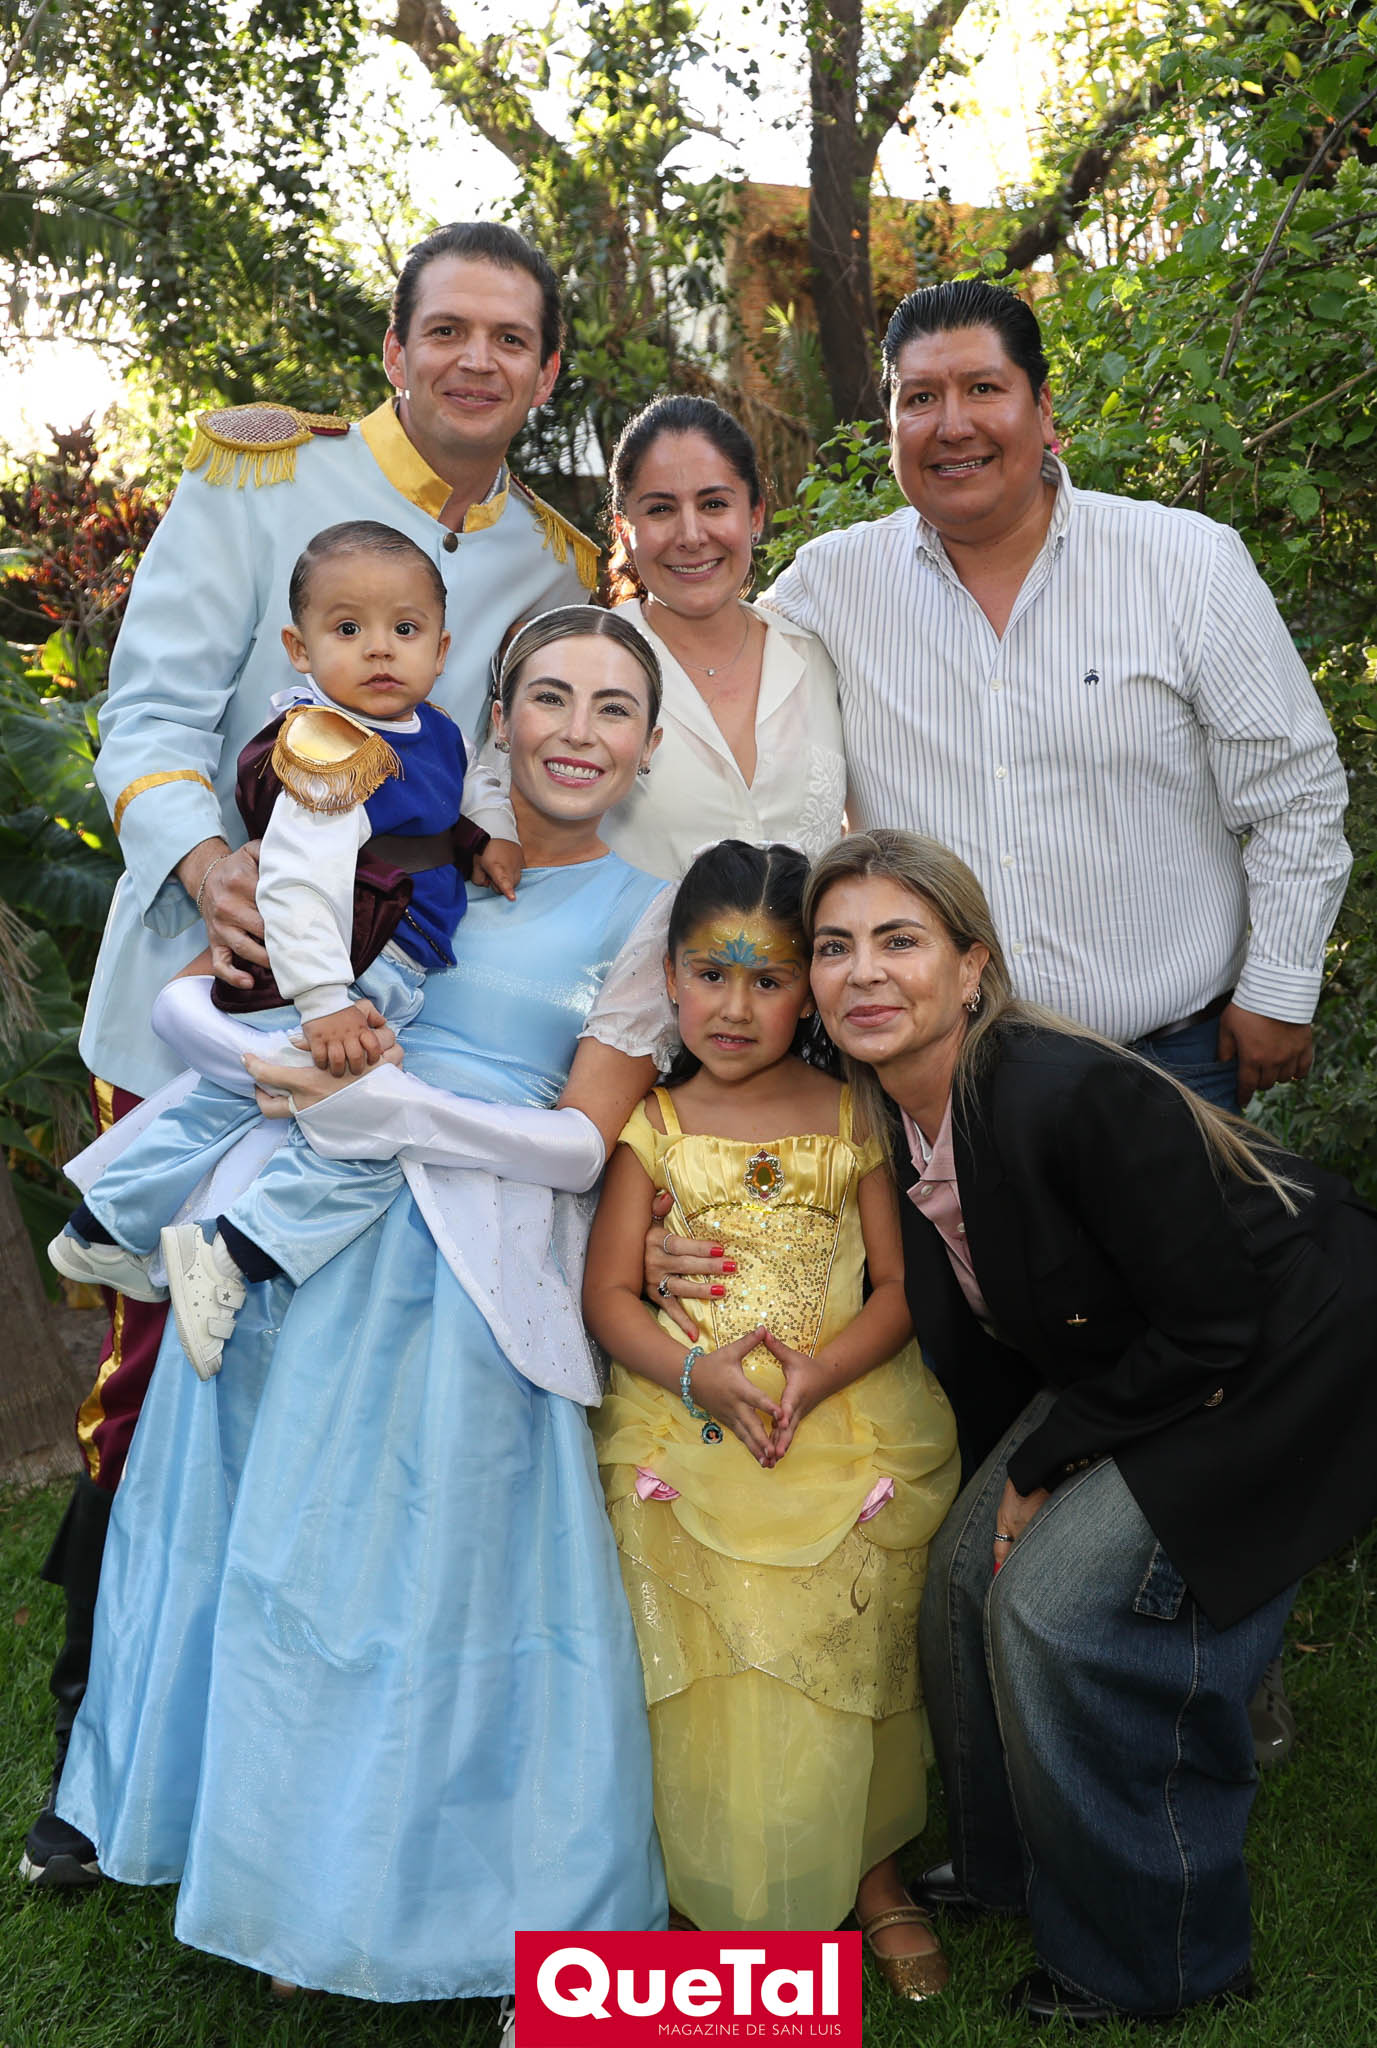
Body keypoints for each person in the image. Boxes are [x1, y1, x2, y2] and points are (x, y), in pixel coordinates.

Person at [27, 220, 595, 1886]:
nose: (476, 360)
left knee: (310, 1379)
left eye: (510, 338)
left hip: (382, 1035)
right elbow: (149, 708)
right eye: (448, 330)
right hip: (209, 993)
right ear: (397, 348)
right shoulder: (260, 478)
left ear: (547, 371)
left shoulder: (553, 561)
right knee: (159, 1367)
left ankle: (277, 1744)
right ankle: (102, 1733)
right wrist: (205, 858)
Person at [739, 277, 1353, 1760]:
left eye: (981, 391)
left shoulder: (1180, 563)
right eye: (918, 398)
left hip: (1163, 1057)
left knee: (1203, 1387)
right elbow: (705, 705)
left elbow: (1293, 792)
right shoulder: (828, 587)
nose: (951, 424)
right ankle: (1031, 1674)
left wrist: (1276, 990)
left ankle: (1217, 1650)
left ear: (1041, 409)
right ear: (886, 419)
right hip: (947, 1087)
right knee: (1007, 1386)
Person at [54, 609, 673, 2006]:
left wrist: (397, 1112)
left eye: (614, 708)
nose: (578, 732)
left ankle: (438, 1898)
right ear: (498, 717)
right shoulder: (390, 845)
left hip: (462, 1265)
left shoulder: (649, 912)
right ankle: (287, 1878)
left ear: (648, 744)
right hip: (280, 1244)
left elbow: (582, 1144)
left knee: (422, 1580)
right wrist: (281, 1072)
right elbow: (195, 1015)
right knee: (278, 1570)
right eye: (550, 698)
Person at [802, 827, 1377, 2024]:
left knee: (1061, 1609)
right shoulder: (893, 1110)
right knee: (964, 1573)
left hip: (1282, 1352)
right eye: (834, 946)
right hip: (1151, 1348)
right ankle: (1010, 1866)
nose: (864, 972)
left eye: (900, 940)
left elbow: (1217, 1323)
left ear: (972, 965)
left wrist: (1050, 1464)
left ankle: (1153, 1961)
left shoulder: (1061, 1090)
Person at [584, 841, 958, 1983]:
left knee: (854, 1648)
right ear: (669, 977)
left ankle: (872, 1872)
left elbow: (897, 1288)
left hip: (839, 1420)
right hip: (687, 1429)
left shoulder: (852, 1115)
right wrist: (695, 1375)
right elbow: (608, 1294)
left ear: (810, 990)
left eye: (769, 978)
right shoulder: (652, 1124)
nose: (735, 1008)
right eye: (710, 974)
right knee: (708, 1657)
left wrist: (817, 1374)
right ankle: (700, 1893)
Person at [50, 518, 503, 1378]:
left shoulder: (436, 729)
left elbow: (459, 795)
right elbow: (295, 888)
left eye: (405, 629)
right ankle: (231, 1251)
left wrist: (490, 836)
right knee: (355, 1126)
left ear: (441, 650)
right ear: (299, 648)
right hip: (346, 962)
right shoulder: (329, 749)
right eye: (348, 629)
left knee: (235, 1099)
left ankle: (107, 1224)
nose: (380, 649)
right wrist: (326, 1000)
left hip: (389, 958)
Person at [599, 394, 847, 875]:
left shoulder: (816, 657)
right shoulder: (582, 660)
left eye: (714, 504)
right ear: (625, 529)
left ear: (755, 515)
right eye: (661, 509)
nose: (691, 536)